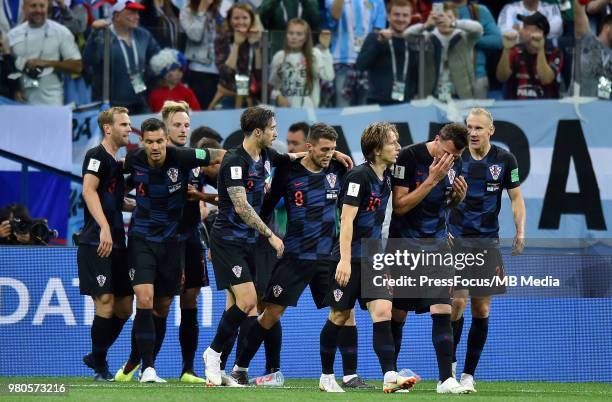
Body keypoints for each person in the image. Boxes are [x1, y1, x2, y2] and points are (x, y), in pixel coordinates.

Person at [318, 122, 421, 393]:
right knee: (339, 316)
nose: (398, 147)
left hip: (372, 259)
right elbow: (347, 220)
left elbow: (378, 224)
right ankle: (326, 376)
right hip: (348, 259)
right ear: (376, 149)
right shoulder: (357, 177)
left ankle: (389, 375)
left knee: (383, 311)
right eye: (392, 142)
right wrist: (343, 260)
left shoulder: (386, 178)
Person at [120, 118, 224, 383]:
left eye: (159, 141)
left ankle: (177, 368)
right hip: (142, 239)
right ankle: (148, 368)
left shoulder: (185, 157)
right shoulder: (134, 160)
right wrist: (124, 203)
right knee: (144, 298)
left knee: (164, 305)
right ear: (142, 141)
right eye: (149, 142)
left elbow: (221, 155)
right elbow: (113, 180)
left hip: (175, 243)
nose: (155, 147)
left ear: (166, 139)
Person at [201, 107, 291, 386]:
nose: (277, 133)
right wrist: (270, 235)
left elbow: (290, 159)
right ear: (258, 132)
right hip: (228, 240)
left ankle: (221, 366)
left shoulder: (265, 155)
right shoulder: (234, 161)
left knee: (239, 305)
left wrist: (331, 156)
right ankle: (213, 354)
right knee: (248, 302)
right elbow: (241, 207)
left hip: (248, 243)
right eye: (273, 128)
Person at [447, 108, 526, 393]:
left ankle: (468, 373)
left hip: (487, 242)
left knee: (481, 308)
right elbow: (436, 195)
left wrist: (519, 231)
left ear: (491, 130)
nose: (473, 132)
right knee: (456, 303)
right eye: (469, 127)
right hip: (456, 240)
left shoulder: (505, 160)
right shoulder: (454, 157)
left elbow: (516, 198)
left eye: (479, 128)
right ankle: (450, 369)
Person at [388, 123, 470, 394]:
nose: (449, 160)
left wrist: (456, 199)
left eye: (455, 157)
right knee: (397, 315)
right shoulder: (408, 158)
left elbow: (441, 205)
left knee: (442, 308)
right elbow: (400, 207)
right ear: (437, 140)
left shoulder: (455, 163)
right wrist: (432, 179)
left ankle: (446, 379)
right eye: (446, 152)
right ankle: (393, 377)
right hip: (404, 247)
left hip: (436, 247)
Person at [77, 107, 134, 381]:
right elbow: (88, 190)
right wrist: (103, 228)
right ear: (108, 128)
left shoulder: (116, 160)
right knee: (106, 302)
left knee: (125, 307)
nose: (129, 128)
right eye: (123, 124)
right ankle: (100, 366)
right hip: (97, 241)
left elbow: (112, 199)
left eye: (129, 124)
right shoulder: (96, 156)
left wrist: (138, 205)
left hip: (118, 241)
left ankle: (96, 355)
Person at [83, 0, 160, 114]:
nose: (137, 17)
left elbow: (158, 57)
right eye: (131, 13)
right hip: (110, 103)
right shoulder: (102, 35)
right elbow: (89, 59)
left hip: (139, 101)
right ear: (117, 16)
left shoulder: (142, 35)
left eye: (137, 13)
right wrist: (94, 33)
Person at [403, 1, 483, 101]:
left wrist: (454, 24)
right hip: (433, 97)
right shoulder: (427, 37)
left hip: (461, 96)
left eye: (448, 17)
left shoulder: (464, 37)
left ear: (456, 17)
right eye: (441, 17)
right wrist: (426, 25)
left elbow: (478, 29)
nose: (444, 20)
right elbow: (406, 36)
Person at [7, 0, 81, 105]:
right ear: (24, 8)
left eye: (42, 6)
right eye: (33, 6)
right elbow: (7, 68)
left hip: (51, 104)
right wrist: (15, 88)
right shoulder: (12, 36)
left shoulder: (61, 32)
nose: (38, 10)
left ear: (48, 7)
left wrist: (47, 63)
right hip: (21, 104)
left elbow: (77, 67)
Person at [356, 0, 426, 104]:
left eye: (405, 15)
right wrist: (379, 43)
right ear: (388, 16)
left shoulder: (413, 42)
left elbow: (416, 75)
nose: (401, 19)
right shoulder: (375, 38)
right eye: (396, 15)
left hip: (405, 105)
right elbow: (361, 65)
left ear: (410, 18)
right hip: (378, 104)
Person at [324, 0, 387, 107]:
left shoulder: (378, 1)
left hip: (367, 65)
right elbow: (335, 16)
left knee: (365, 112)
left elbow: (377, 32)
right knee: (342, 110)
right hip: (343, 62)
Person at [496, 11, 563, 99]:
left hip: (546, 107)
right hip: (515, 108)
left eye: (525, 27)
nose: (520, 31)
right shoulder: (514, 51)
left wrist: (540, 50)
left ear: (539, 32)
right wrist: (506, 49)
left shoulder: (555, 52)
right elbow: (501, 77)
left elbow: (546, 79)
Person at [269, 18, 333, 108]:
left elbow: (329, 76)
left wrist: (325, 49)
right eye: (291, 33)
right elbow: (274, 85)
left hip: (310, 112)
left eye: (299, 34)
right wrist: (277, 95)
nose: (294, 37)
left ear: (306, 37)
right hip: (286, 112)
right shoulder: (279, 56)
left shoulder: (314, 54)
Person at [210, 3, 262, 109]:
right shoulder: (221, 40)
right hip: (228, 96)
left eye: (245, 18)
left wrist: (255, 46)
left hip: (250, 98)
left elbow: (260, 74)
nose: (241, 22)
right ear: (229, 20)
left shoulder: (257, 39)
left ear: (251, 20)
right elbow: (226, 73)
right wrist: (236, 45)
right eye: (236, 18)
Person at [453, 0, 502, 99]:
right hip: (445, 80)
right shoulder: (439, 10)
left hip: (476, 77)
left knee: (475, 114)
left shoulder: (479, 11)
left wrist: (471, 38)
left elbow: (498, 41)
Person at [180, 0, 223, 109]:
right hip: (199, 69)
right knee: (202, 109)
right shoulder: (187, 11)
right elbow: (195, 36)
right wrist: (201, 11)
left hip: (220, 69)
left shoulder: (216, 12)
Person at [573, 0, 612, 99]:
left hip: (600, 109)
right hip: (577, 107)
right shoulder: (588, 41)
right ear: (607, 26)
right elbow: (579, 13)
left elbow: (605, 93)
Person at [148, 48, 201, 112]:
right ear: (163, 73)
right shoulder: (155, 95)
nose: (178, 73)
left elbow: (197, 113)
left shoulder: (187, 93)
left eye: (180, 70)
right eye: (173, 70)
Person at [498, 0, 563, 41]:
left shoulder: (551, 8)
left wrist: (520, 30)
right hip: (517, 56)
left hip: (548, 54)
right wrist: (539, 31)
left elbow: (556, 27)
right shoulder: (509, 8)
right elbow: (503, 33)